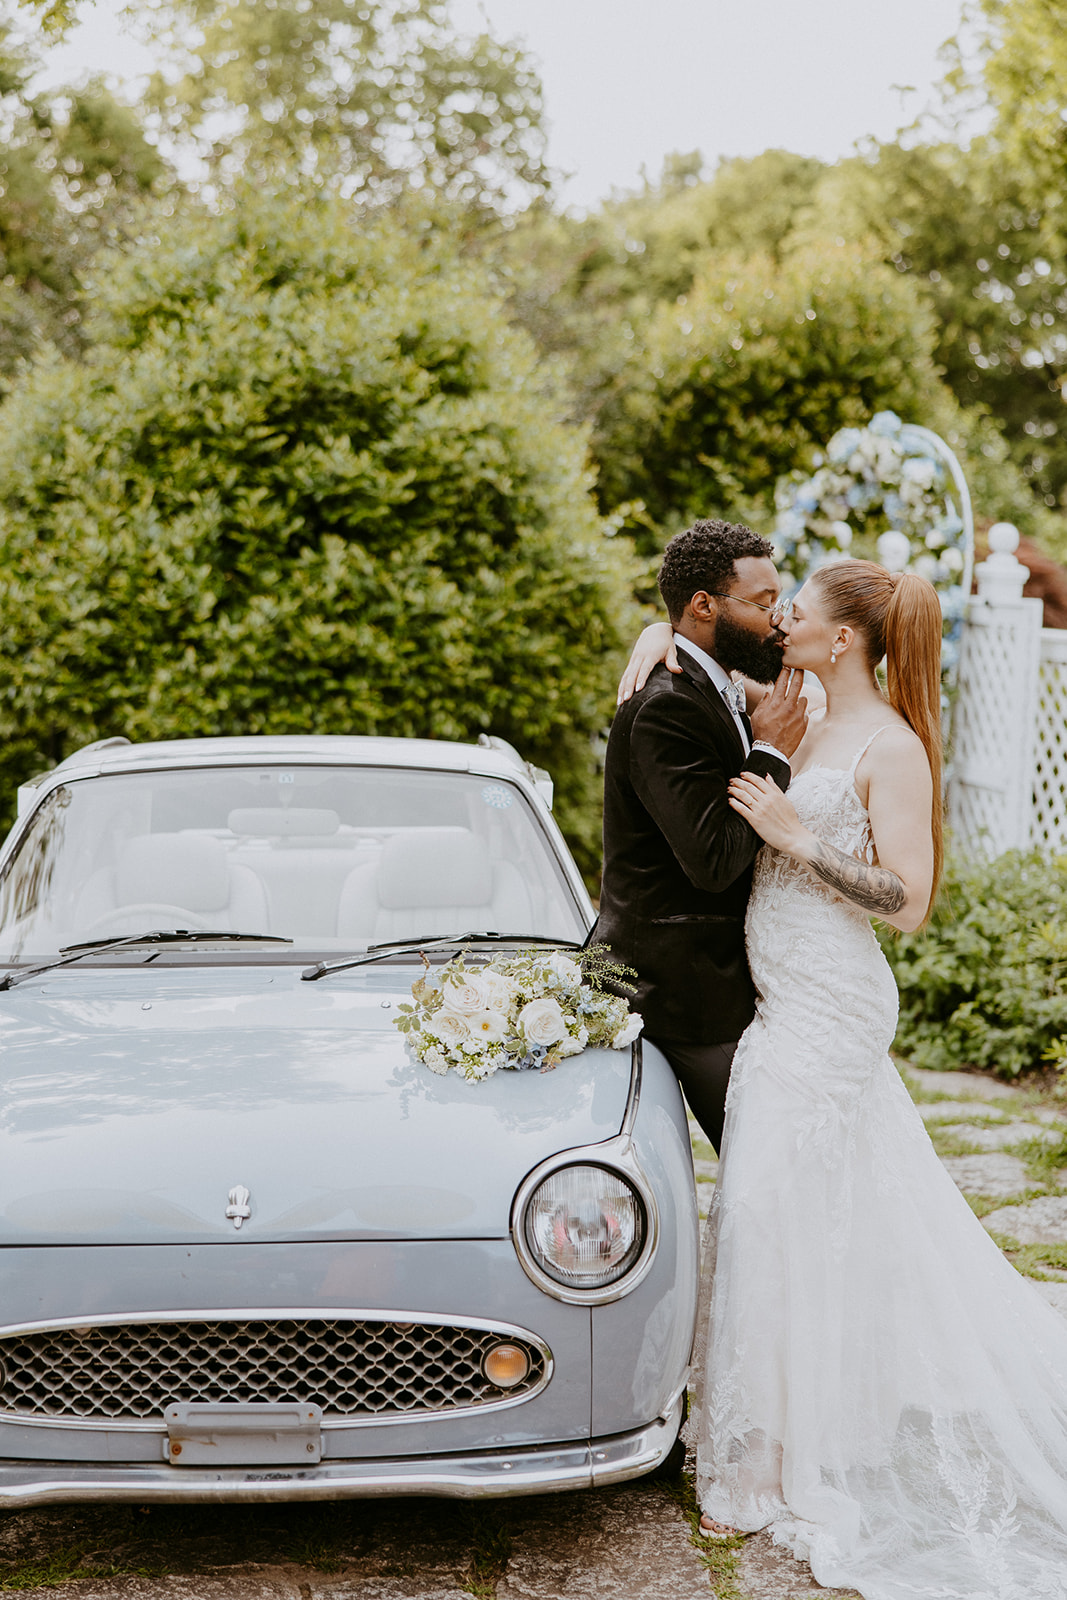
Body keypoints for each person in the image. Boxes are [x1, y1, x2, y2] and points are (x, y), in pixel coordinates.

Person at [623, 559, 1067, 1599]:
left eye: (798, 615)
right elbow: (669, 666)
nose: (780, 624)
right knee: (787, 1213)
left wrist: (795, 839)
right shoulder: (794, 713)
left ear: (843, 640)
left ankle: (779, 1459)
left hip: (827, 1008)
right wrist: (652, 644)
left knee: (776, 1208)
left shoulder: (891, 747)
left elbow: (906, 903)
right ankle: (789, 1431)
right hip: (775, 998)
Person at [595, 518, 807, 1156]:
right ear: (704, 605)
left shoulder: (724, 683)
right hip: (682, 992)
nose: (777, 620)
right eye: (764, 604)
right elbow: (712, 860)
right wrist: (771, 751)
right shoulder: (668, 705)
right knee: (762, 1161)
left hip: (729, 978)